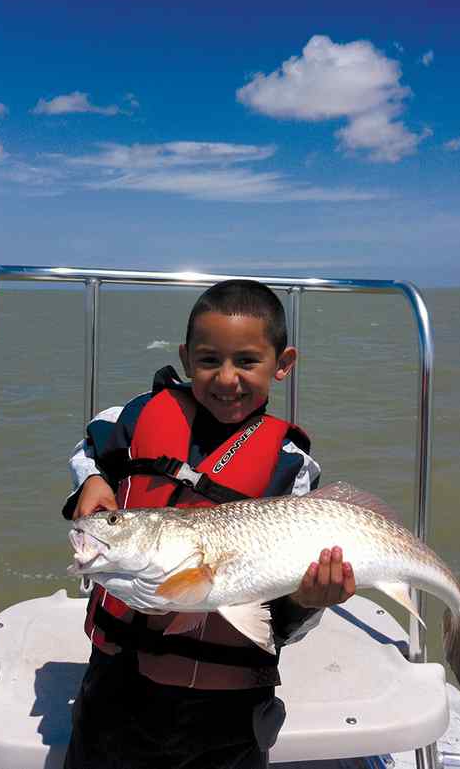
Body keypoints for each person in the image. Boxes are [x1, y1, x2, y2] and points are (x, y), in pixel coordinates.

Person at [62, 279, 356, 769]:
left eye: (247, 361)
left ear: (282, 364)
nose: (226, 378)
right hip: (118, 684)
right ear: (185, 358)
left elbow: (281, 622)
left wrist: (308, 602)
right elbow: (87, 449)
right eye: (208, 360)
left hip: (229, 709)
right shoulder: (136, 415)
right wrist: (91, 481)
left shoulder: (292, 468)